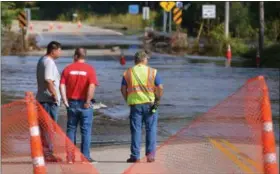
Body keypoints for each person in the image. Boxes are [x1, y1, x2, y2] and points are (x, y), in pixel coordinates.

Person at [121, 50, 164, 163]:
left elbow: (123, 89)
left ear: (135, 60)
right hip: (150, 105)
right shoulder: (152, 71)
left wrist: (128, 99)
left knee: (136, 130)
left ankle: (135, 156)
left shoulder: (128, 72)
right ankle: (150, 156)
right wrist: (158, 100)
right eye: (147, 59)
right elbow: (160, 87)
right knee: (151, 129)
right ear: (144, 60)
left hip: (135, 105)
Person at [60, 48, 99, 163]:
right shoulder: (90, 69)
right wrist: (88, 101)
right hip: (85, 104)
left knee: (71, 130)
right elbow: (92, 86)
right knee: (85, 131)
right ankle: (85, 157)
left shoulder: (68, 69)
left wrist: (65, 101)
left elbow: (61, 86)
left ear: (75, 56)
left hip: (72, 103)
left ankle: (70, 157)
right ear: (84, 56)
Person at [36, 41, 62, 162]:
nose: (60, 52)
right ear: (53, 50)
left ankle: (44, 152)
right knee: (49, 128)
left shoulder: (42, 60)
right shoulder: (49, 62)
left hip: (42, 98)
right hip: (48, 101)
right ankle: (48, 154)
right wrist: (55, 95)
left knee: (44, 128)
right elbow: (48, 80)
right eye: (59, 50)